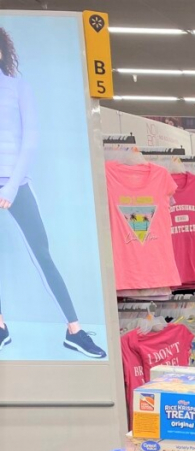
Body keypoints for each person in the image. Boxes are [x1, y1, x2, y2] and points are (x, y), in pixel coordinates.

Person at [0, 26, 105, 358]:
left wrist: (12, 186)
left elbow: (30, 140)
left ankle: (74, 329)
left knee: (42, 255)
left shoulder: (19, 88)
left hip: (14, 182)